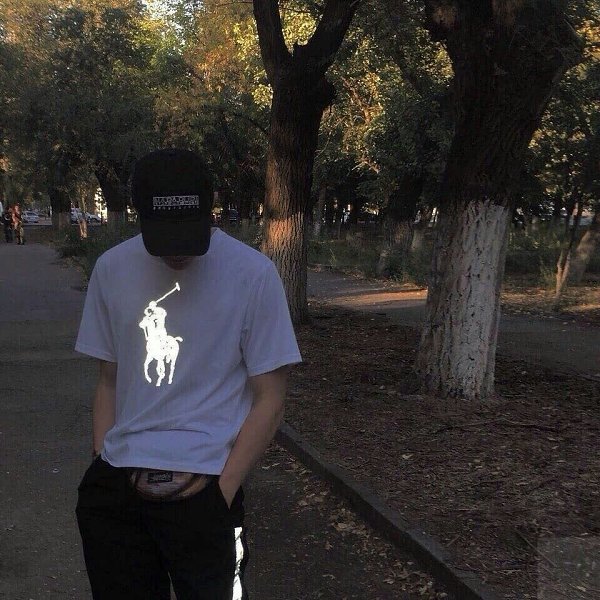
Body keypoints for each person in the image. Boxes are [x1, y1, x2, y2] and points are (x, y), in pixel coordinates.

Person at [74, 148, 302, 600]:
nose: (178, 251)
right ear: (139, 214)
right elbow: (109, 380)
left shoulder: (253, 274)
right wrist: (102, 462)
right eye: (164, 237)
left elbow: (271, 398)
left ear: (209, 206)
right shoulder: (112, 269)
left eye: (188, 233)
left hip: (207, 492)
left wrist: (222, 496)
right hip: (116, 492)